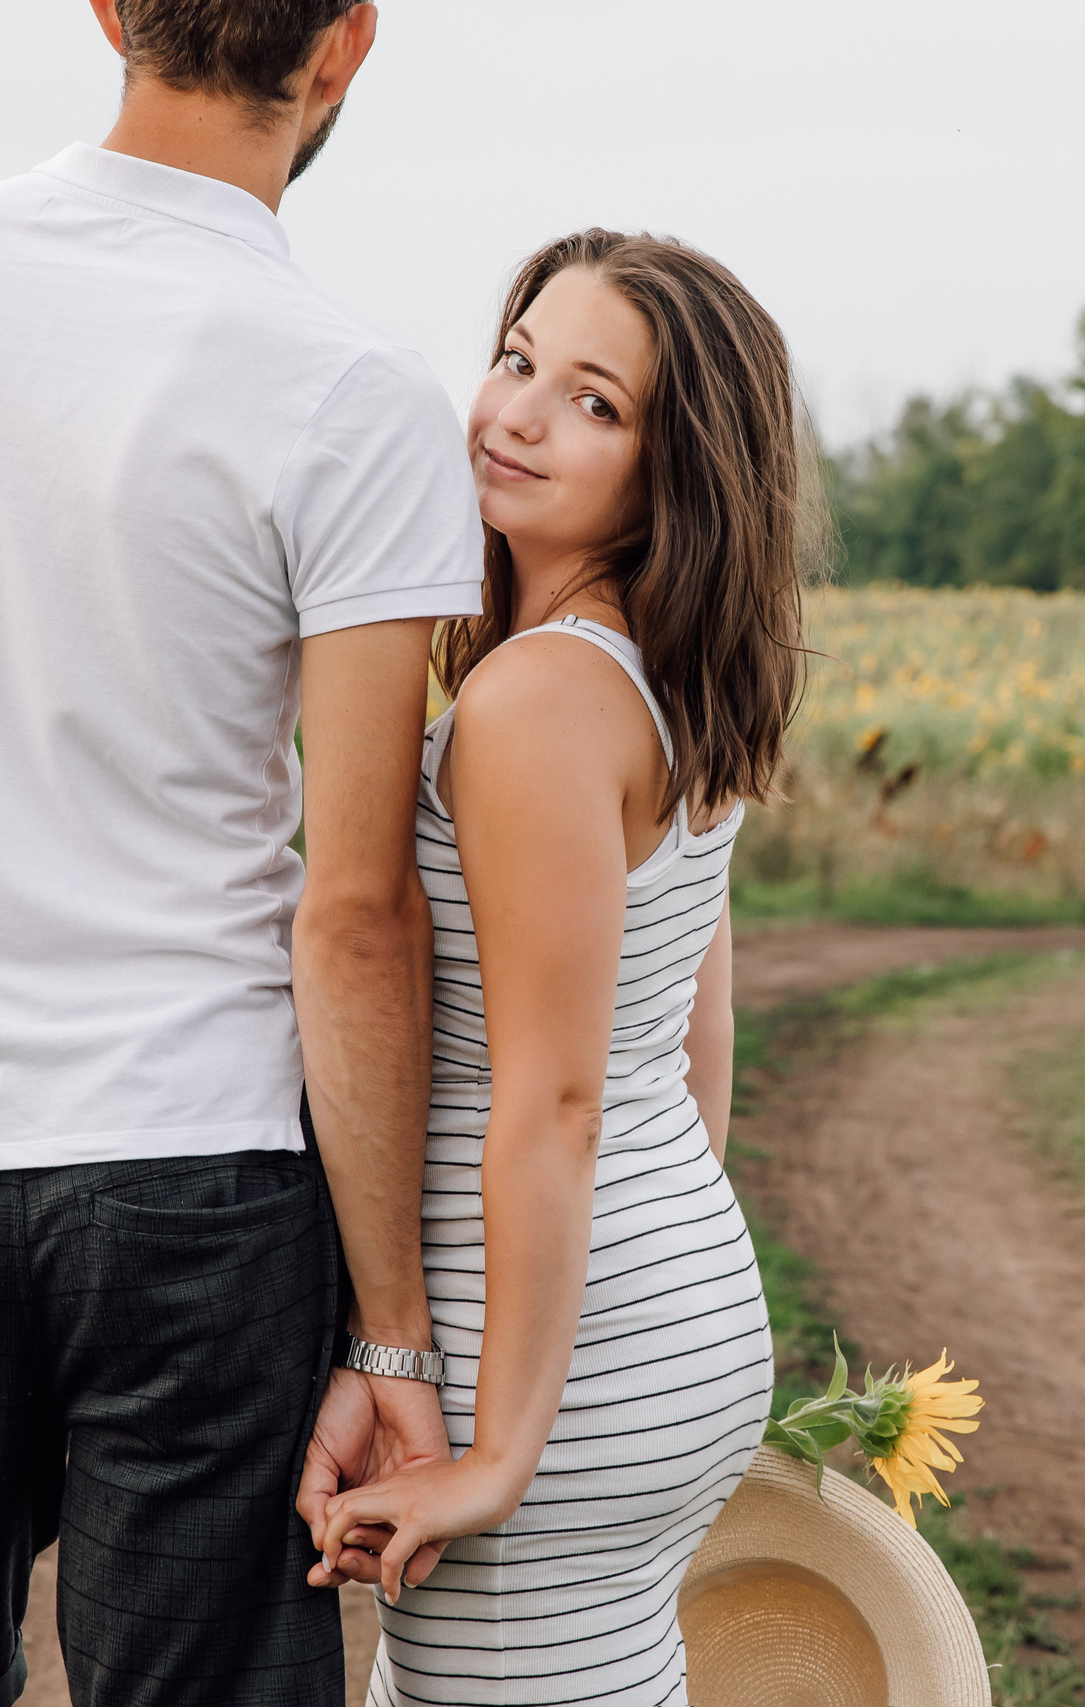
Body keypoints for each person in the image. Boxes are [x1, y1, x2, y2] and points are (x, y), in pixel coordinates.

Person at [0, 3, 480, 1702]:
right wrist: (391, 1332)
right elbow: (358, 911)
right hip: (200, 1176)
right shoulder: (359, 394)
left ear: (106, 9)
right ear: (346, 47)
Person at [307, 230, 808, 1706]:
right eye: (518, 360)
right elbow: (692, 1029)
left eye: (594, 402)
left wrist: (505, 1453)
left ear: (678, 472)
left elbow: (556, 1103)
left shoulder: (535, 704)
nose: (516, 412)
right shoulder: (668, 676)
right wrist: (644, 1296)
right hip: (663, 1305)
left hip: (541, 1370)